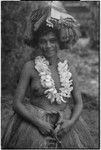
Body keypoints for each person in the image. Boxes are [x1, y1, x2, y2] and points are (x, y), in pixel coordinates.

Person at [2, 1, 96, 149]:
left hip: (64, 124)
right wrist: (39, 123)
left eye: (52, 41)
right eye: (43, 42)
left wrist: (70, 123)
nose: (48, 46)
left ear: (60, 41)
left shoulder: (69, 68)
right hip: (34, 125)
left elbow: (78, 103)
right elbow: (17, 104)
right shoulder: (30, 67)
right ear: (37, 43)